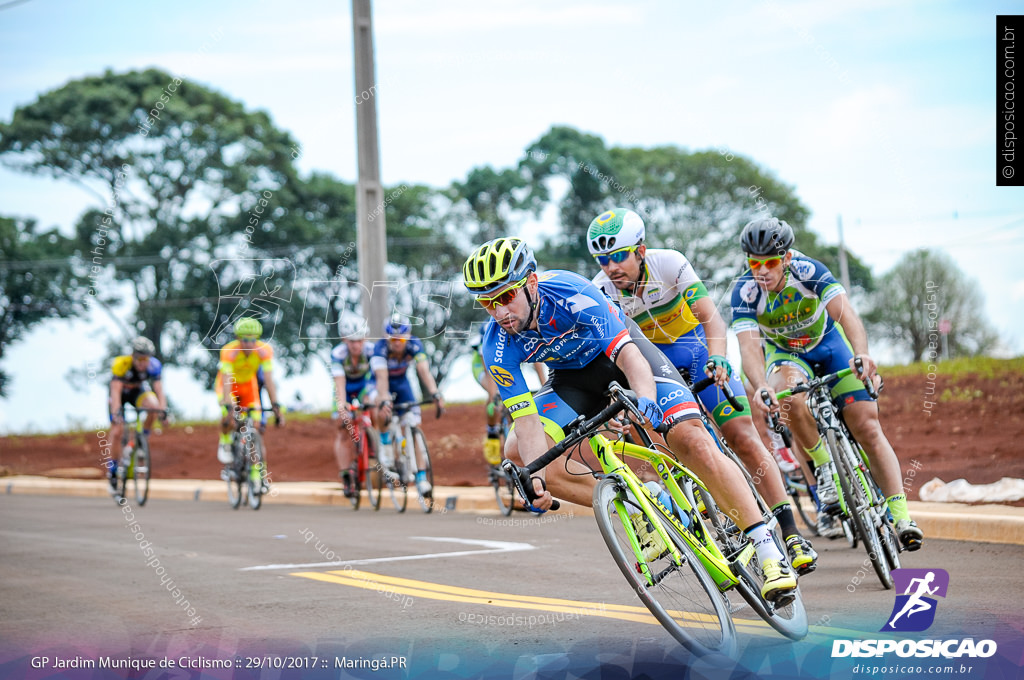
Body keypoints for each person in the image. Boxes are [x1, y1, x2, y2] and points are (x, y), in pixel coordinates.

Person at [463, 237, 797, 603]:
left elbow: (629, 356)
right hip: (572, 381)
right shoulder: (496, 344)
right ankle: (640, 506)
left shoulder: (572, 292)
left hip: (624, 360)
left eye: (505, 297)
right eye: (486, 303)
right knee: (517, 453)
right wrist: (538, 481)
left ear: (530, 283)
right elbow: (526, 422)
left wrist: (647, 400)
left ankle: (767, 549)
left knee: (691, 439)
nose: (499, 312)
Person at [586, 207, 818, 574]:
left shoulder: (669, 264)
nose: (611, 267)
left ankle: (790, 532)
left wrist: (719, 359)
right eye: (603, 259)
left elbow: (711, 318)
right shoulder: (599, 290)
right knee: (665, 446)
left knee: (742, 436)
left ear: (641, 251)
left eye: (618, 256)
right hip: (656, 368)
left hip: (696, 353)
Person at [731, 217, 923, 551]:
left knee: (868, 426)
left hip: (830, 346)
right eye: (754, 263)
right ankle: (824, 469)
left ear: (787, 259)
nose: (762, 270)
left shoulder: (809, 271)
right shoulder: (745, 293)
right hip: (788, 355)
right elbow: (748, 346)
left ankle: (901, 515)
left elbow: (846, 315)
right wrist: (760, 384)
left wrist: (861, 354)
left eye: (770, 263)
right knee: (789, 399)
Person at [371, 314, 445, 497]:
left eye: (401, 339)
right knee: (382, 408)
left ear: (408, 335)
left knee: (414, 428)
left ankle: (421, 477)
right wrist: (384, 399)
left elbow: (423, 370)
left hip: (403, 385)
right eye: (393, 339)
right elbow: (382, 378)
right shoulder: (379, 348)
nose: (397, 343)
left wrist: (434, 392)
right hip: (381, 384)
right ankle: (385, 440)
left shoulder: (415, 344)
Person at [216, 317, 283, 491]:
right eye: (245, 339)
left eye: (253, 339)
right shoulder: (229, 351)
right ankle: (225, 441)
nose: (249, 343)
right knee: (228, 416)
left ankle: (258, 476)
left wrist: (275, 404)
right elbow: (226, 381)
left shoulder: (264, 350)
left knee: (256, 427)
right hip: (229, 385)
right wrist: (229, 404)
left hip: (248, 387)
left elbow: (268, 380)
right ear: (238, 339)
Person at [470, 323, 547, 466]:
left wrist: (544, 384)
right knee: (494, 395)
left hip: (506, 360)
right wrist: (493, 395)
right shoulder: (490, 332)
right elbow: (489, 371)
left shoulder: (522, 325)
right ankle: (492, 435)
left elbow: (537, 361)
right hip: (482, 365)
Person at [107, 336, 168, 491]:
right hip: (120, 396)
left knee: (153, 407)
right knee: (117, 431)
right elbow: (115, 391)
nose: (143, 363)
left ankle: (142, 438)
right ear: (133, 356)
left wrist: (162, 410)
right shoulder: (122, 364)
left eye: (146, 359)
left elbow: (159, 390)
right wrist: (116, 413)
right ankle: (113, 469)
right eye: (140, 359)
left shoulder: (153, 366)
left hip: (137, 393)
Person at [330, 317, 378, 497]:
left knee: (374, 406)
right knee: (343, 427)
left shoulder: (373, 351)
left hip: (364, 387)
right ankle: (345, 476)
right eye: (351, 341)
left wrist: (370, 397)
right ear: (344, 340)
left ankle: (373, 442)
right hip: (345, 389)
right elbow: (339, 383)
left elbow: (376, 379)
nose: (356, 345)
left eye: (359, 340)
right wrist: (342, 406)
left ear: (365, 339)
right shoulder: (338, 354)